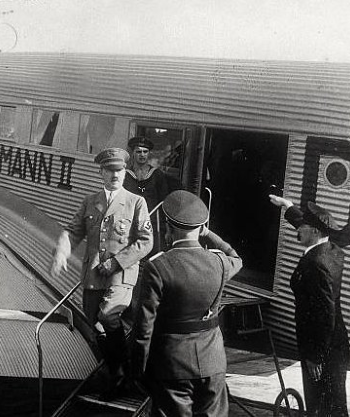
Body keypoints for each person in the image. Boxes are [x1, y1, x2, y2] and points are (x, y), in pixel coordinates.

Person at [51, 147, 153, 398]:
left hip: (121, 275)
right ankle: (119, 374)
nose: (115, 175)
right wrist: (62, 252)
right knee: (96, 323)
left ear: (125, 172)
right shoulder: (90, 201)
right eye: (110, 170)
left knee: (109, 315)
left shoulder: (135, 202)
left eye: (119, 170)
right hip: (94, 275)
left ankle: (123, 376)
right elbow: (73, 231)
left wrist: (117, 262)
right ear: (101, 173)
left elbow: (145, 241)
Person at [131, 190, 242, 416]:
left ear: (168, 226)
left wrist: (138, 370)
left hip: (172, 367)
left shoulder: (158, 267)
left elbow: (143, 327)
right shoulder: (220, 263)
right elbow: (236, 257)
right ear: (201, 227)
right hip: (213, 364)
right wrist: (209, 234)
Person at [269, 195, 350, 416]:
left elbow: (326, 315)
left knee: (323, 407)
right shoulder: (332, 250)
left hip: (322, 349)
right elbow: (307, 226)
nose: (298, 229)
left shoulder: (316, 264)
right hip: (334, 345)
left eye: (302, 227)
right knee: (332, 402)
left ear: (314, 232)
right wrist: (288, 207)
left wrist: (315, 356)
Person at [123, 137, 178, 254]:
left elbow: (165, 201)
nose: (142, 155)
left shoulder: (157, 175)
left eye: (145, 151)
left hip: (153, 224)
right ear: (133, 153)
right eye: (138, 151)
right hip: (131, 223)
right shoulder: (125, 176)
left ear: (149, 154)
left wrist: (168, 230)